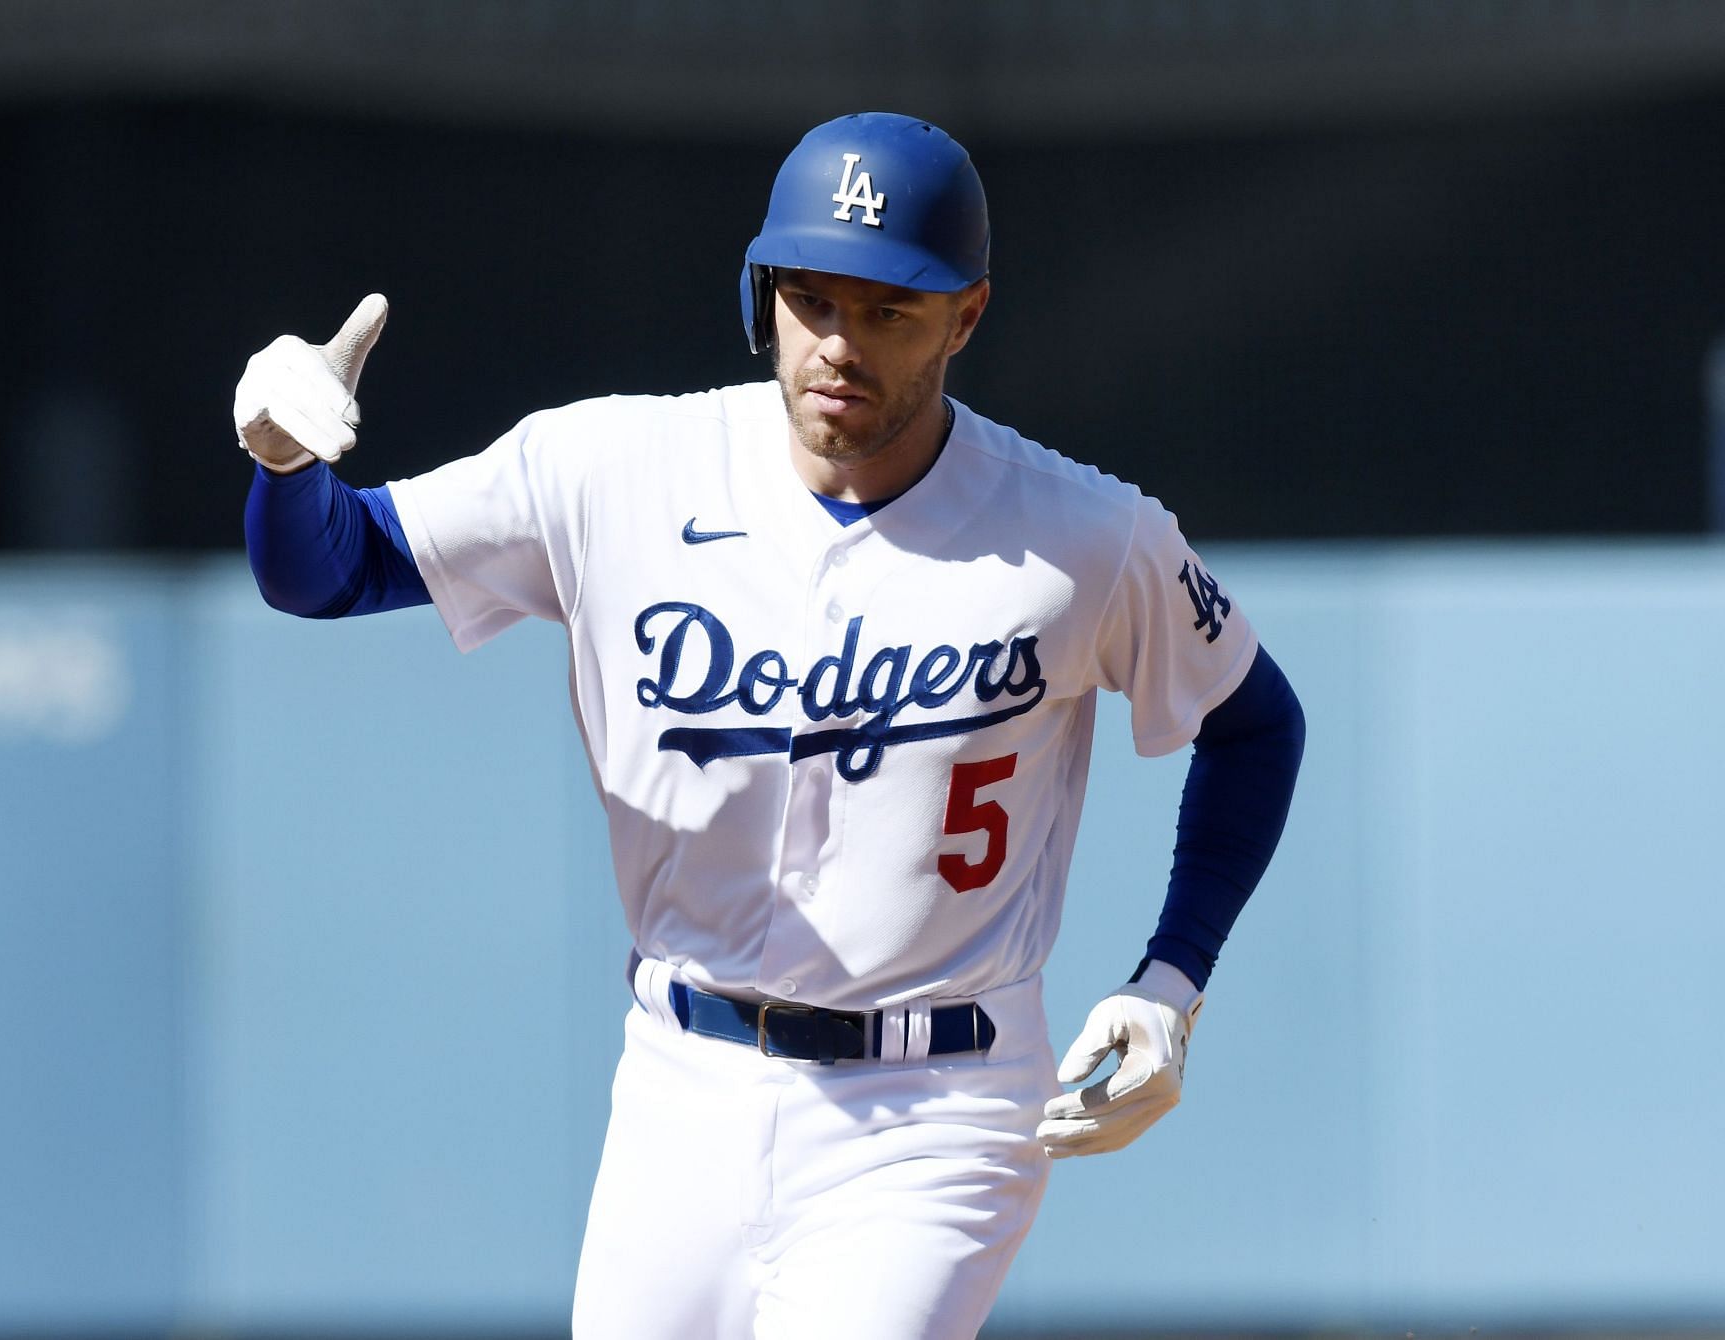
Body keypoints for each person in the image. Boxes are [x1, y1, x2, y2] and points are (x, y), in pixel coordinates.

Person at [234, 112, 1304, 1340]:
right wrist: (283, 464)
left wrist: (1174, 981)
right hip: (680, 1083)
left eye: (889, 310)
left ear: (967, 315)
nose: (840, 343)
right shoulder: (613, 467)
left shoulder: (1083, 535)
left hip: (938, 1103)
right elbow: (324, 570)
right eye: (811, 298)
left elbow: (1255, 721)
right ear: (762, 293)